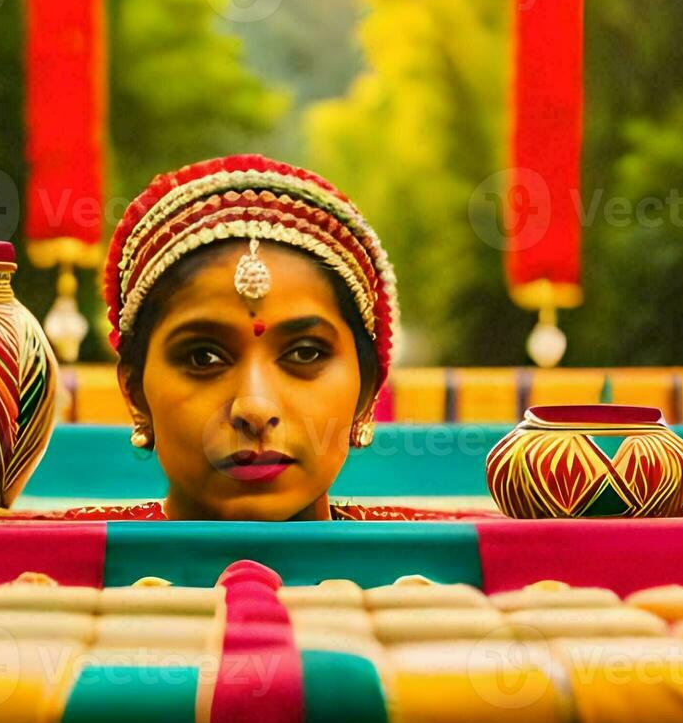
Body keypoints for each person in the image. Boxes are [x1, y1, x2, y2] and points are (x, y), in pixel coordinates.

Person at [63, 154, 468, 521]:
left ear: (368, 390)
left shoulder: (460, 570)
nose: (254, 408)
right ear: (135, 393)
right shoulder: (44, 565)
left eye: (306, 354)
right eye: (204, 357)